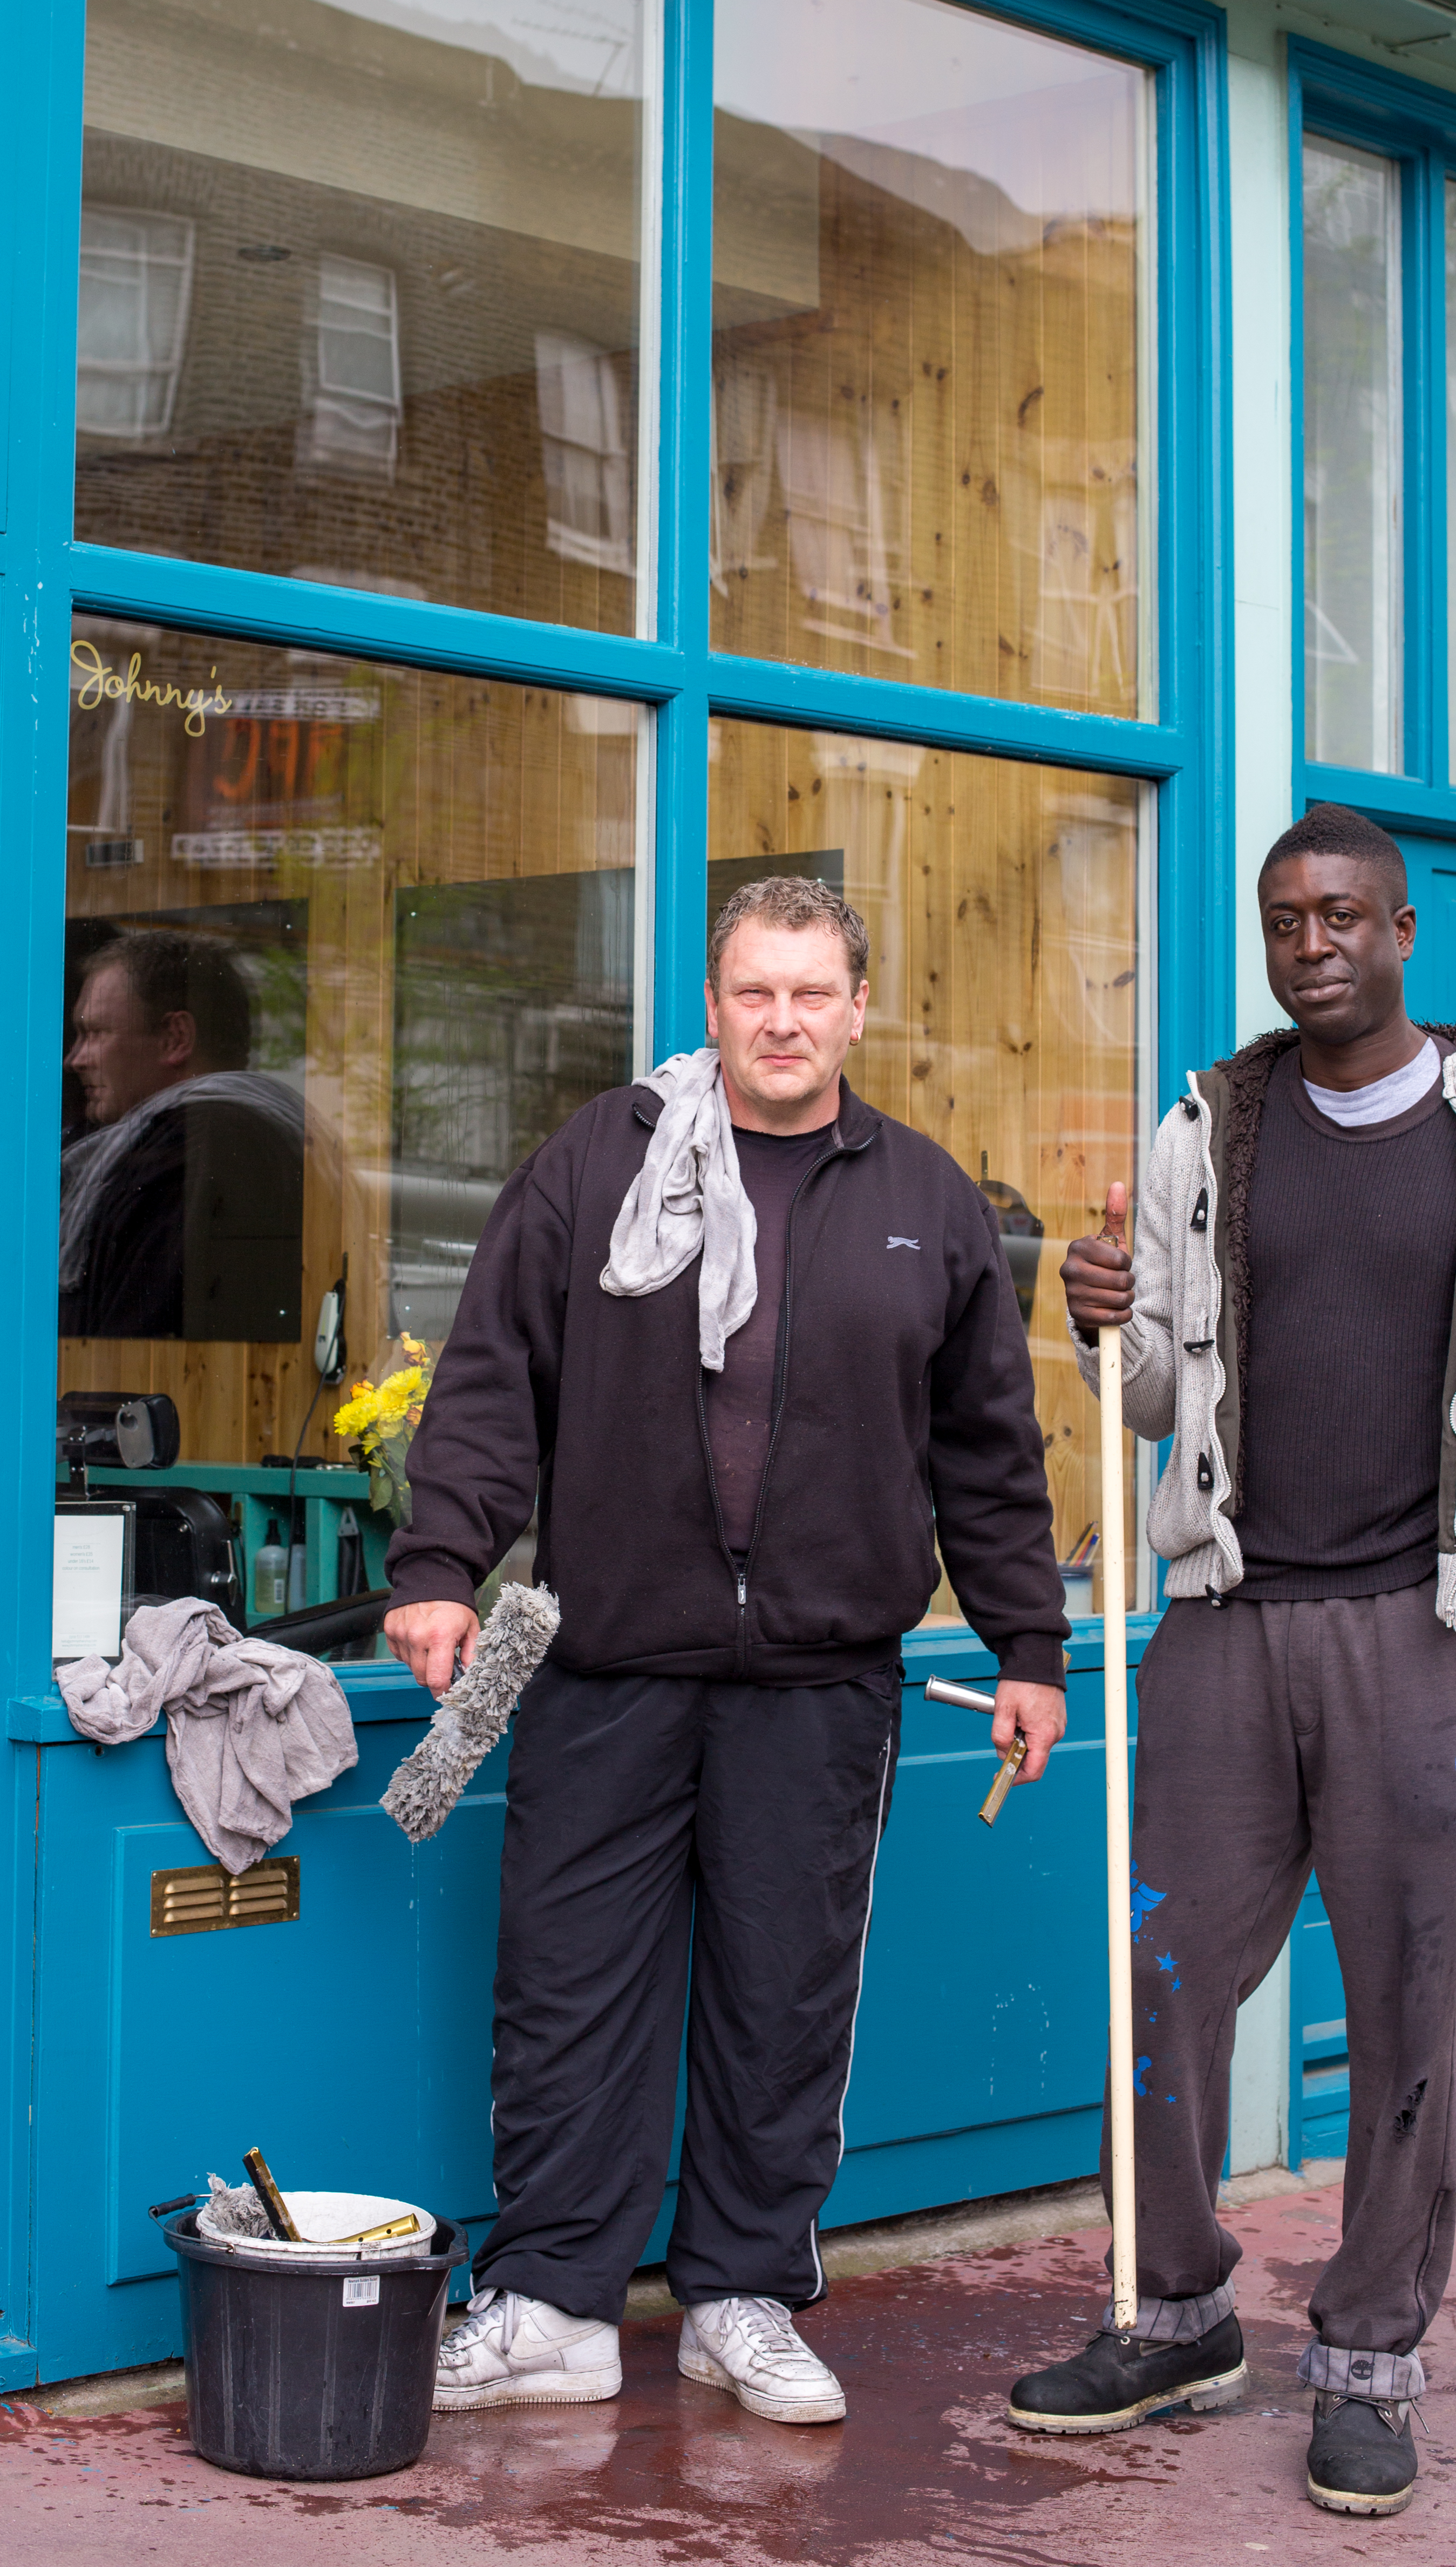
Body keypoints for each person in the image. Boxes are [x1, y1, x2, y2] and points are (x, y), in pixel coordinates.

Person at [384, 874, 1070, 2426]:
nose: (781, 1020)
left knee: (784, 2000)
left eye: (812, 993)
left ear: (857, 1010)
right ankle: (552, 2308)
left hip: (822, 1683)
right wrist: (437, 1566)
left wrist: (1027, 1643)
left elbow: (988, 1450)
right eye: (755, 992)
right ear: (711, 1004)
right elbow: (493, 1379)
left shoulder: (923, 1198)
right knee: (567, 1992)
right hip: (610, 1666)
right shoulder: (598, 1162)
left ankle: (741, 2297)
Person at [1006, 802, 1456, 2517]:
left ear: (1404, 931)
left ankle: (1369, 2360)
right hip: (1226, 1617)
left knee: (1410, 2000)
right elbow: (1156, 1405)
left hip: (1421, 1630)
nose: (1314, 942)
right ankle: (1174, 2312)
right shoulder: (1210, 1128)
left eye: (1344, 914)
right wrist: (1102, 1320)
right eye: (1287, 919)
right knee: (1162, 1972)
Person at [58, 928, 304, 1342]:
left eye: (96, 1033)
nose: (75, 1060)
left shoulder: (205, 1145)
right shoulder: (237, 1134)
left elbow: (138, 1344)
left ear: (176, 1039)